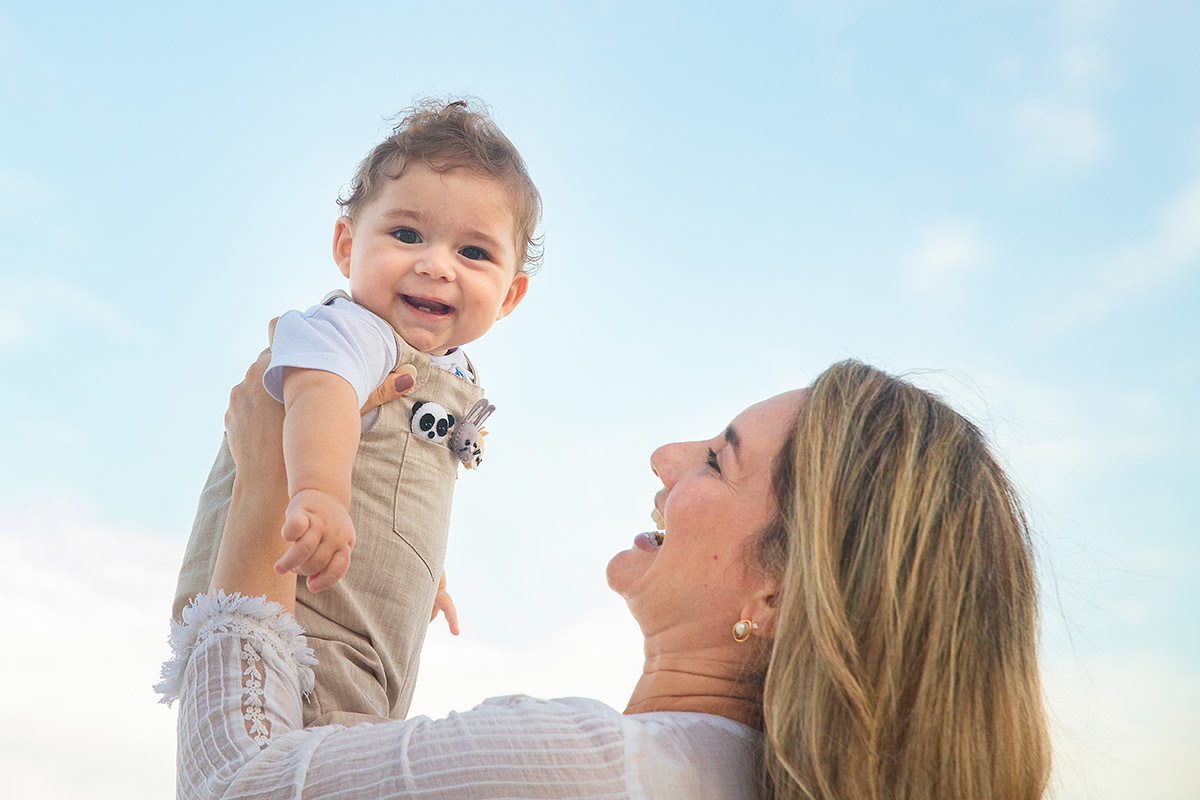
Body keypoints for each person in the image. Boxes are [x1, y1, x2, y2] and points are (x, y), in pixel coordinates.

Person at [158, 356, 1052, 800]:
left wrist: (266, 483)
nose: (666, 457)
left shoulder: (595, 772)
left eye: (718, 461)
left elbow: (235, 787)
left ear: (778, 595)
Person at [170, 98, 541, 727]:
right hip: (304, 614)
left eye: (474, 253)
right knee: (312, 756)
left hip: (371, 634)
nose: (436, 265)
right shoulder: (353, 331)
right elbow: (322, 396)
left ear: (511, 293)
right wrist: (320, 492)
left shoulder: (451, 373)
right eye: (407, 235)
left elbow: (396, 486)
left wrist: (427, 573)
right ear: (347, 245)